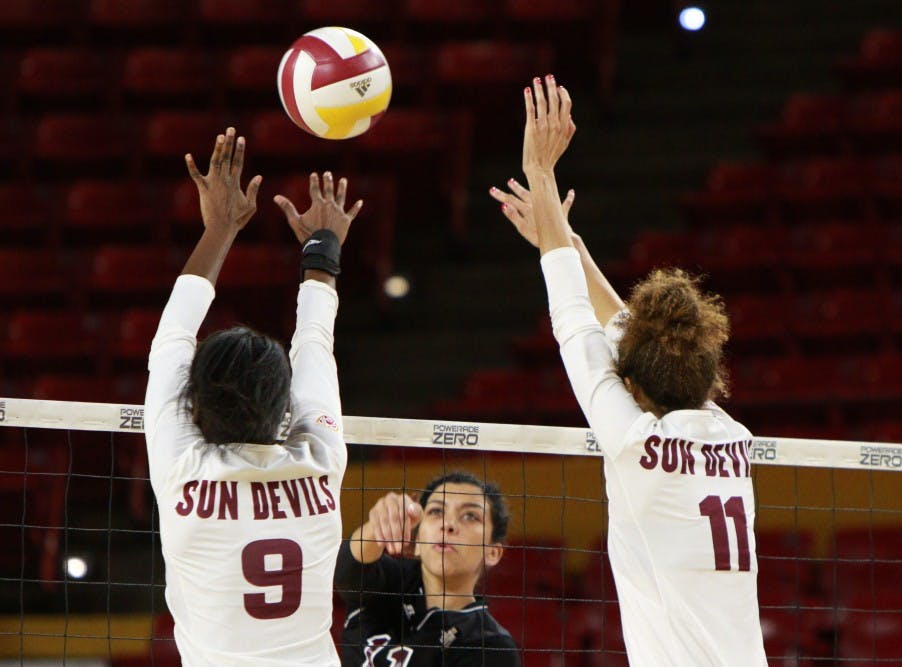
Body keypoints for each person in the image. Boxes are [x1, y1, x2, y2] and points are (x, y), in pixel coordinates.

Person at [489, 76, 767, 666]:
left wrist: (542, 174)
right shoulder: (731, 438)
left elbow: (575, 322)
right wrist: (563, 242)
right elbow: (620, 329)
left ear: (633, 386)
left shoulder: (634, 441)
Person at [144, 126, 363, 665]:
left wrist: (220, 228)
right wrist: (322, 250)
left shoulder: (183, 469)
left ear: (193, 407)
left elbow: (172, 341)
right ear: (284, 408)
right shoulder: (319, 461)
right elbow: (314, 345)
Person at [334, 471, 520, 666]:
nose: (448, 524)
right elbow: (346, 569)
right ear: (418, 542)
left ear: (493, 552)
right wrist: (376, 525)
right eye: (436, 511)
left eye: (470, 516)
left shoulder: (491, 645)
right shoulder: (387, 581)